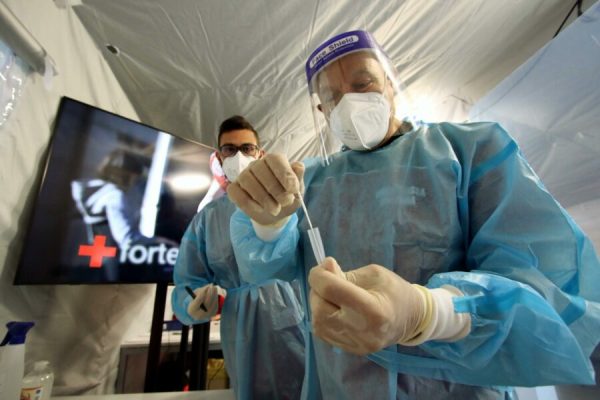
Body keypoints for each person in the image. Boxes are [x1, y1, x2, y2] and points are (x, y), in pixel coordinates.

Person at [227, 30, 600, 399]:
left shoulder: (468, 152)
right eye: (333, 97)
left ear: (390, 83)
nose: (350, 104)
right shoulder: (310, 183)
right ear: (322, 112)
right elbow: (266, 272)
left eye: (363, 83)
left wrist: (428, 313)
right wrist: (269, 223)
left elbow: (547, 285)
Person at [171, 115, 305, 399]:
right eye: (230, 150)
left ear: (261, 153)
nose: (239, 156)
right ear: (219, 157)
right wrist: (192, 304)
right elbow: (187, 279)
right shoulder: (207, 220)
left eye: (247, 148)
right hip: (243, 329)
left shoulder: (290, 203)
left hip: (296, 316)